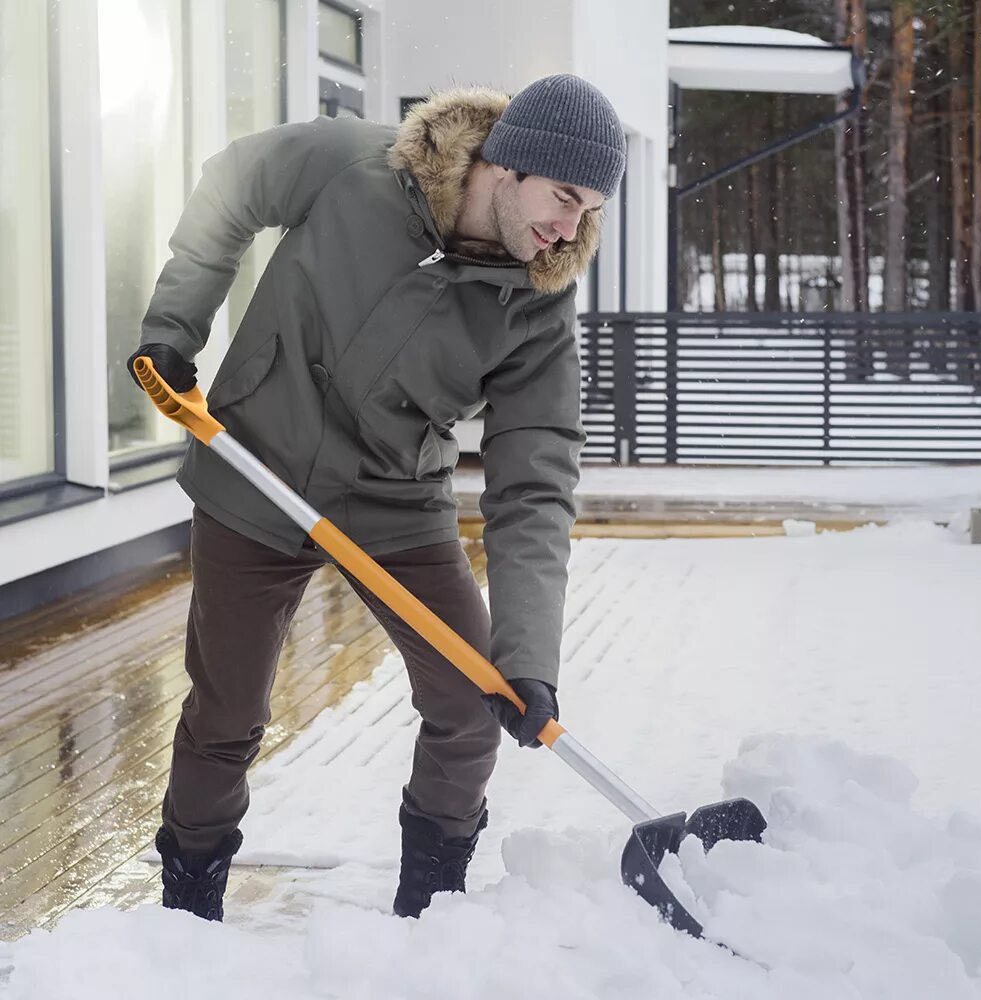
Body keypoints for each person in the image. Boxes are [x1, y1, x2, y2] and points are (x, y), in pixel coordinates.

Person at [129, 74, 625, 922]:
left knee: (472, 707)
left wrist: (528, 658)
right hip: (256, 474)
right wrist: (175, 329)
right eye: (563, 197)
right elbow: (229, 189)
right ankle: (188, 901)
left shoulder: (538, 303)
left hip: (396, 501)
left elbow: (534, 479)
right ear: (507, 166)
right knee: (227, 714)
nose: (567, 228)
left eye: (587, 212)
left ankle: (430, 912)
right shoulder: (352, 165)